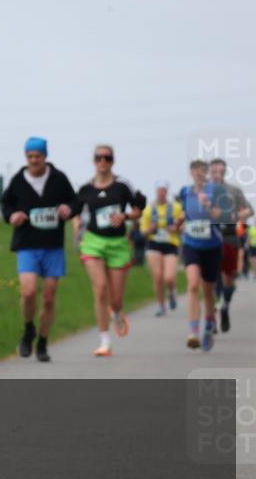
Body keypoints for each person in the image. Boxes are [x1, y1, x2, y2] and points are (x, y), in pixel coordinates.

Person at [0, 136, 78, 362]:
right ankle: (28, 330)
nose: (33, 160)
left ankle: (43, 342)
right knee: (28, 292)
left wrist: (68, 209)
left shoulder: (59, 179)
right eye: (30, 156)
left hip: (53, 246)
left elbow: (74, 202)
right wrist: (11, 216)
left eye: (38, 156)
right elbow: (6, 205)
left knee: (49, 298)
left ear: (45, 157)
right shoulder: (18, 180)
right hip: (27, 244)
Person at [71, 144, 147, 357]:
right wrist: (76, 224)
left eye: (107, 158)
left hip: (118, 244)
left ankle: (116, 311)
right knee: (100, 289)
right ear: (94, 161)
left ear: (113, 161)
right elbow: (75, 209)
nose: (103, 162)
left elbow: (138, 210)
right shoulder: (86, 188)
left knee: (115, 299)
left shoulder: (122, 186)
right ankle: (104, 341)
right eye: (98, 158)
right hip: (93, 242)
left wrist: (126, 216)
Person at [177, 160, 226, 351]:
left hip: (212, 246)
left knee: (208, 291)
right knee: (192, 285)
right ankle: (193, 332)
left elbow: (221, 216)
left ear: (206, 172)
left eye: (202, 170)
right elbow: (185, 213)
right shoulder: (185, 192)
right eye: (196, 170)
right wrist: (181, 221)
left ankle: (209, 324)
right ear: (191, 172)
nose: (199, 173)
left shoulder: (216, 191)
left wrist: (207, 205)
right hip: (191, 245)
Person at [209, 158, 254, 332]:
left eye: (220, 171)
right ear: (209, 173)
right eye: (214, 172)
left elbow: (250, 210)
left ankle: (225, 306)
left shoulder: (233, 191)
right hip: (210, 238)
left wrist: (237, 215)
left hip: (229, 238)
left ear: (225, 172)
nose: (217, 175)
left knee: (229, 281)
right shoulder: (204, 192)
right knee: (211, 280)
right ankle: (211, 316)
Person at [139, 181, 184, 316]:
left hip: (171, 243)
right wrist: (150, 229)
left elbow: (183, 227)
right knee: (157, 277)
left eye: (164, 190)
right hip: (154, 244)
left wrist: (176, 228)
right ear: (156, 191)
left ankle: (171, 291)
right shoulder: (148, 209)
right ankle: (161, 305)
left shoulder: (176, 207)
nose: (162, 193)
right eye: (160, 190)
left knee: (169, 277)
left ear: (167, 191)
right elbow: (142, 231)